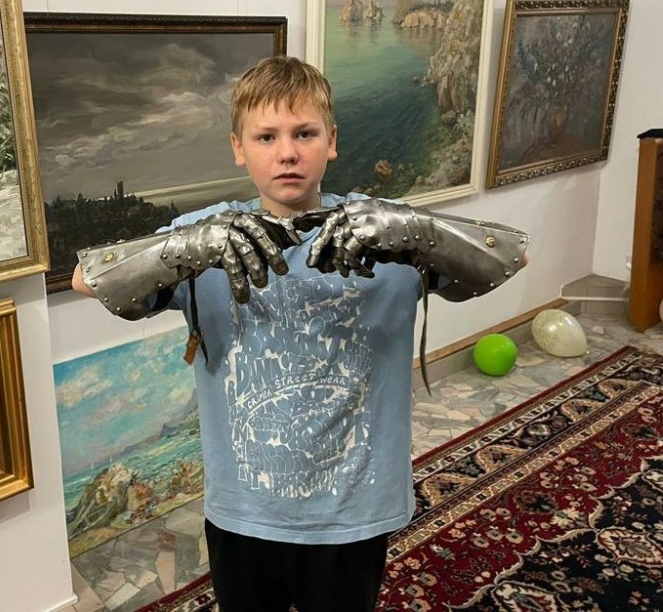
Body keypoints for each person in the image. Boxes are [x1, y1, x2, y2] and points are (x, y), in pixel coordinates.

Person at [72, 56, 529, 612]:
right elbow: (87, 279)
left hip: (354, 504)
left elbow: (510, 256)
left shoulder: (386, 230)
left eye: (304, 133)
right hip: (245, 506)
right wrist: (192, 246)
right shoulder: (205, 234)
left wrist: (413, 229)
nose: (287, 152)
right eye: (266, 136)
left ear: (331, 141)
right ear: (239, 147)